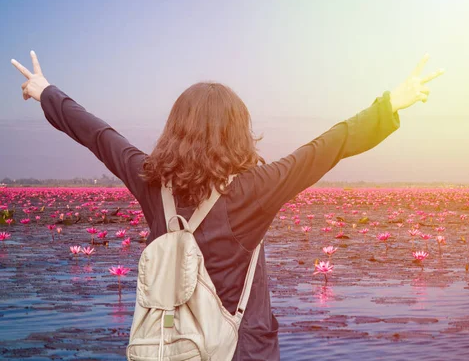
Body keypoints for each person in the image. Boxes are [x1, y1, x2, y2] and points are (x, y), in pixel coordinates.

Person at [11, 50, 444, 360]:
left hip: (169, 349)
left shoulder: (150, 181)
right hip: (242, 350)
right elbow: (328, 146)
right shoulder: (254, 190)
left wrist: (46, 90)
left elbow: (99, 135)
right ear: (239, 131)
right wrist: (390, 104)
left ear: (174, 128)